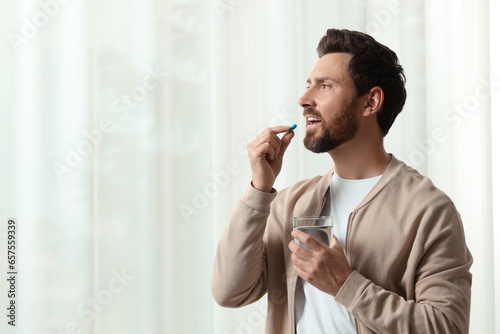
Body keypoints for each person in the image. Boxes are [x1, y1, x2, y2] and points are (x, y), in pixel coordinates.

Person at [211, 28, 472, 334]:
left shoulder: (429, 210)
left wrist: (346, 285)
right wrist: (259, 190)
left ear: (370, 102)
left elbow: (447, 327)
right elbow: (229, 292)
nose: (304, 99)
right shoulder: (289, 202)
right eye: (309, 86)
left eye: (325, 86)